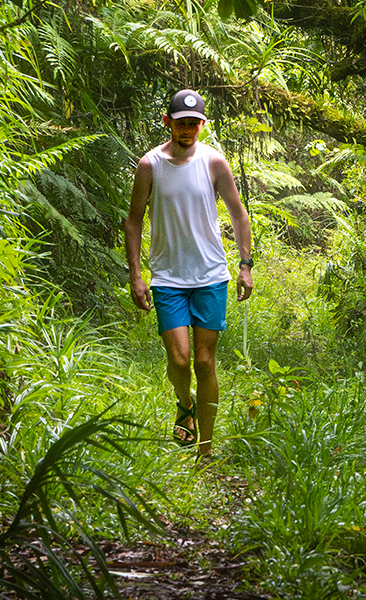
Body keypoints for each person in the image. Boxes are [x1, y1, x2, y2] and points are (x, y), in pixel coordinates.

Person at [124, 89, 255, 457]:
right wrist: (136, 275)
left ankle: (205, 449)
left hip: (211, 275)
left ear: (202, 125)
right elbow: (133, 222)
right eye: (181, 124)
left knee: (204, 360)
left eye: (194, 124)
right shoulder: (150, 165)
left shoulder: (214, 162)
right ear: (167, 123)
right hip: (167, 277)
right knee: (180, 360)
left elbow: (238, 214)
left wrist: (245, 265)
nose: (187, 131)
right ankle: (186, 404)